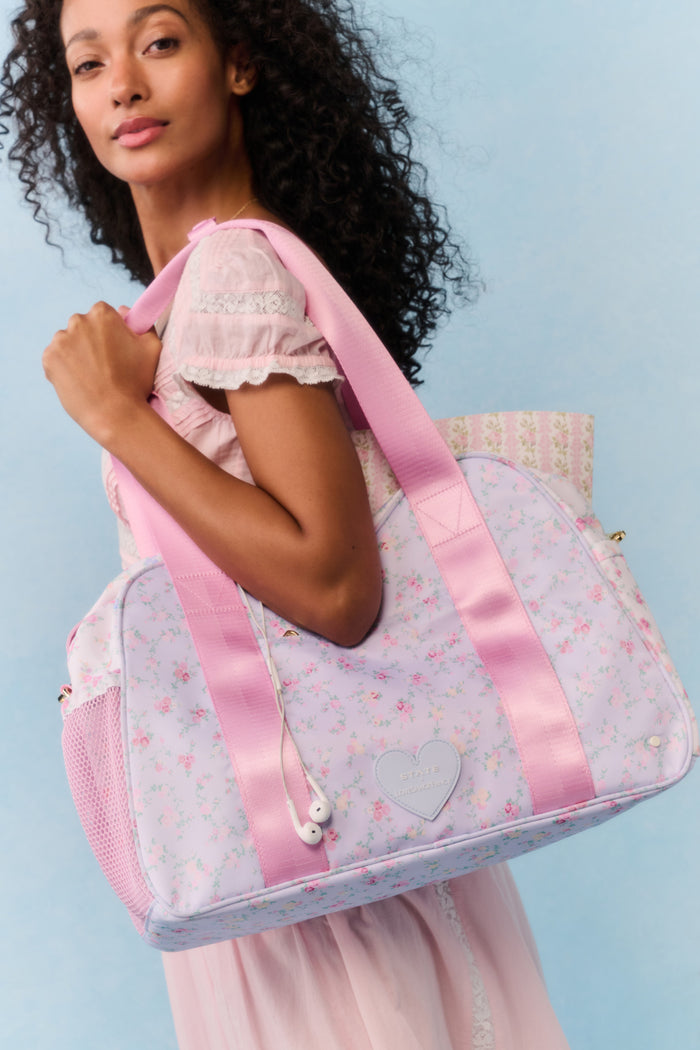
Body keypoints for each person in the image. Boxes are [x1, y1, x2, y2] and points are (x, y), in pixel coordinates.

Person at [1, 0, 572, 1046]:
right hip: (306, 838)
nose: (121, 81)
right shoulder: (187, 292)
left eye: (160, 40)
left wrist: (114, 416)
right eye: (87, 63)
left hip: (325, 850)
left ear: (241, 65)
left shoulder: (231, 275)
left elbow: (337, 590)